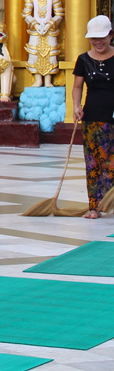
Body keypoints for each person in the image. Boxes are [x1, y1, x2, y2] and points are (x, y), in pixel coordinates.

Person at [72, 15, 114, 219]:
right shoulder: (83, 59)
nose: (98, 42)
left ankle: (111, 203)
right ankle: (94, 206)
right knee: (95, 163)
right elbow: (77, 87)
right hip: (93, 119)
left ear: (111, 35)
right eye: (94, 38)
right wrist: (77, 106)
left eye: (102, 37)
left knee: (113, 164)